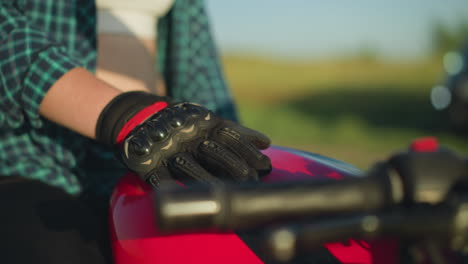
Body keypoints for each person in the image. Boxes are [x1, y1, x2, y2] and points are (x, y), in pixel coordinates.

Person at [0, 0, 271, 263]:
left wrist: (224, 142)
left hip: (153, 165)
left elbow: (199, 69)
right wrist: (123, 116)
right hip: (33, 163)